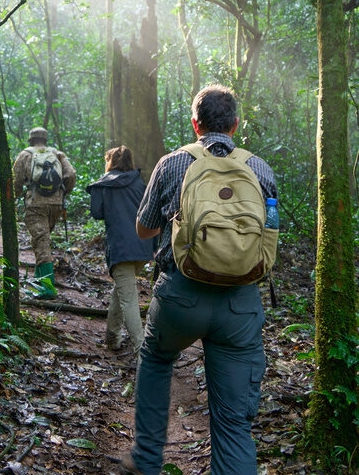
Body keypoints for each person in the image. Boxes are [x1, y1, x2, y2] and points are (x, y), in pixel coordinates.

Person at [120, 84, 278, 475]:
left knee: (157, 358)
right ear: (236, 125)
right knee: (233, 422)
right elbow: (271, 234)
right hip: (240, 303)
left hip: (181, 296)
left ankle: (146, 459)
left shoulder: (173, 163)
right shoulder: (260, 168)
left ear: (195, 124)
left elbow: (143, 229)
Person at [86, 146, 155, 353]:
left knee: (129, 300)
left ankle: (142, 350)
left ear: (110, 162)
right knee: (122, 290)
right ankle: (112, 337)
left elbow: (96, 213)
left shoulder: (104, 185)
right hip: (142, 247)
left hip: (121, 248)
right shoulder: (140, 183)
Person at [13, 127, 76, 299]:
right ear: (46, 139)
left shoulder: (25, 155)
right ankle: (39, 280)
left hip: (36, 204)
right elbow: (71, 174)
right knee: (44, 241)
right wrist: (63, 193)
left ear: (31, 140)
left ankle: (47, 288)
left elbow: (16, 181)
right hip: (56, 203)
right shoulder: (58, 154)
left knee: (41, 243)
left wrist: (12, 198)